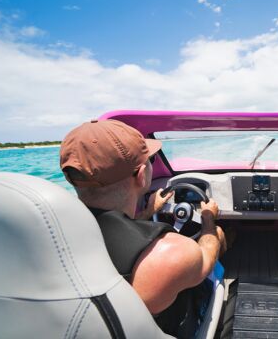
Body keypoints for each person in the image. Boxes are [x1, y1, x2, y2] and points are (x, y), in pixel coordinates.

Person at [60, 119, 226, 337]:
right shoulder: (171, 254)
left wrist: (147, 214)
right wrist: (207, 219)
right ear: (141, 175)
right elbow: (205, 258)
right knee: (218, 236)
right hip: (179, 326)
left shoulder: (53, 235)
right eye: (150, 160)